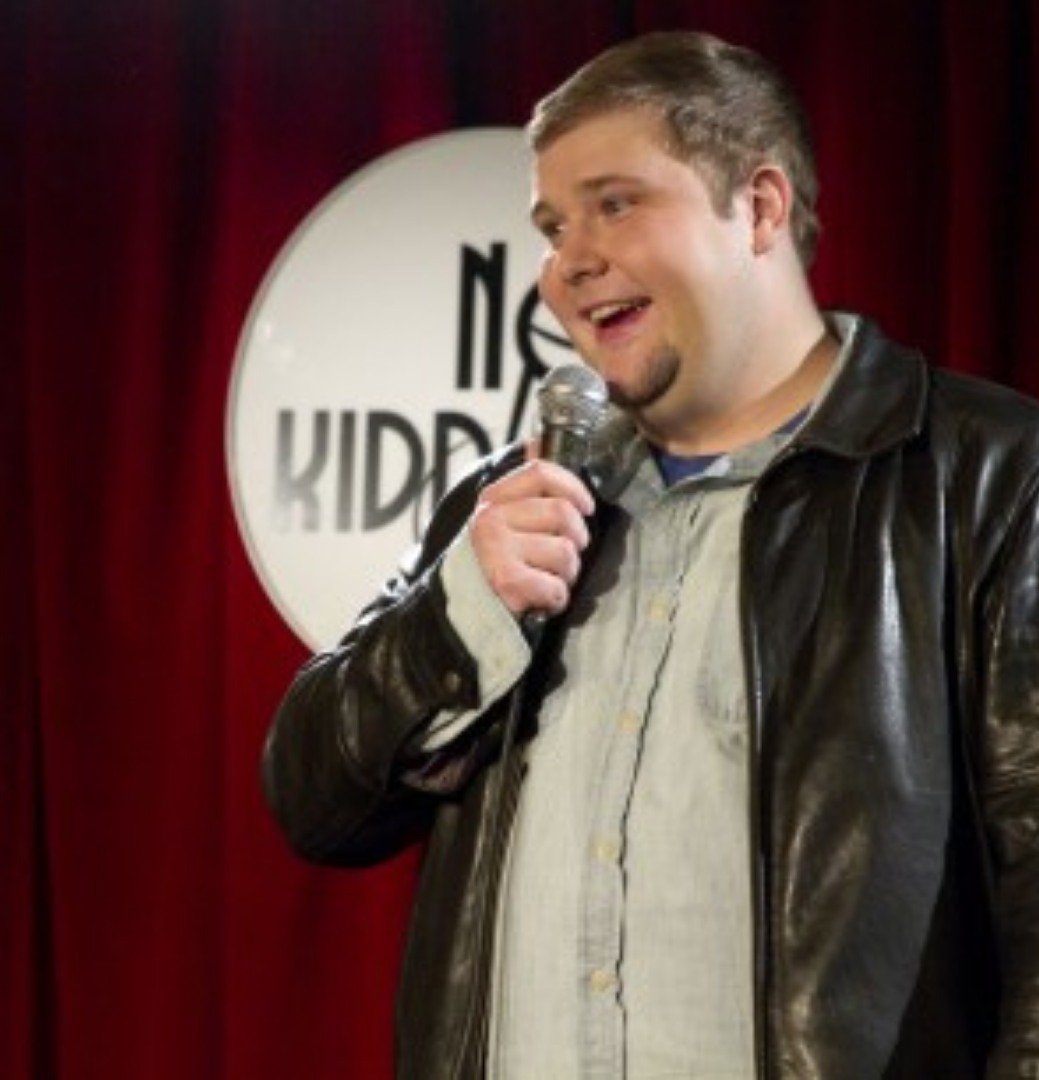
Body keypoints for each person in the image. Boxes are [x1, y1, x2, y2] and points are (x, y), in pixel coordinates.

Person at [262, 29, 1039, 1079]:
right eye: (553, 226)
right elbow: (314, 802)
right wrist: (460, 616)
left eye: (616, 203)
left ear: (758, 207)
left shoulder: (988, 477)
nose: (569, 261)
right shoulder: (510, 499)